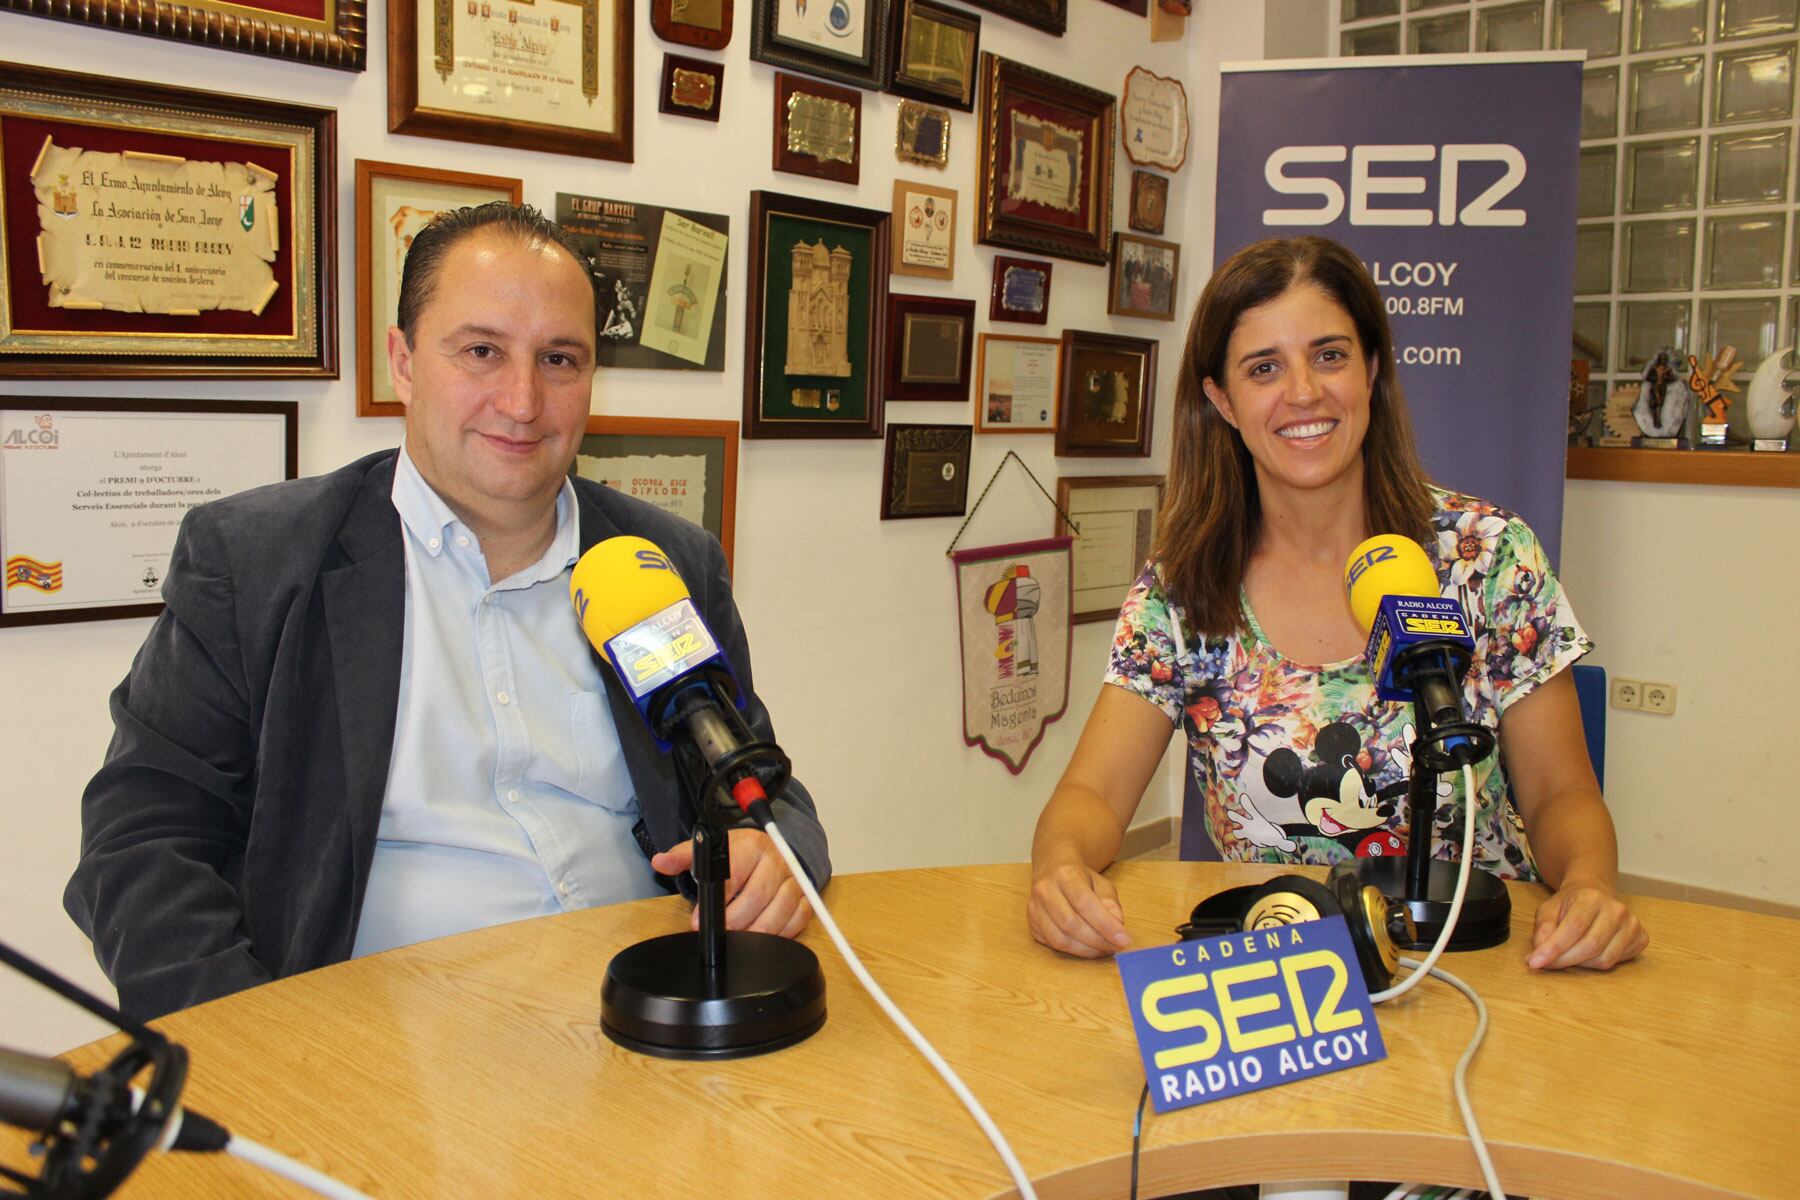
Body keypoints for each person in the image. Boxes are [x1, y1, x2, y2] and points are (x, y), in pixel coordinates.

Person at [66, 203, 829, 1021]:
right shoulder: (256, 561)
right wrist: (256, 1051)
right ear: (402, 361)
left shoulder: (663, 563)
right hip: (381, 1044)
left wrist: (778, 852)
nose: (524, 399)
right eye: (481, 351)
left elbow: (760, 787)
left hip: (640, 1014)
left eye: (560, 359)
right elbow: (140, 841)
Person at [1028, 235, 1646, 974]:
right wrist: (1062, 871)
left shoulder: (1488, 555)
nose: (1304, 393)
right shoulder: (1184, 590)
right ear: (1220, 400)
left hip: (1482, 964)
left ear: (1373, 368)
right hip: (1277, 973)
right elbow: (1091, 796)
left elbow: (1561, 793)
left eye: (1329, 355)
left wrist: (1587, 887)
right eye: (1264, 368)